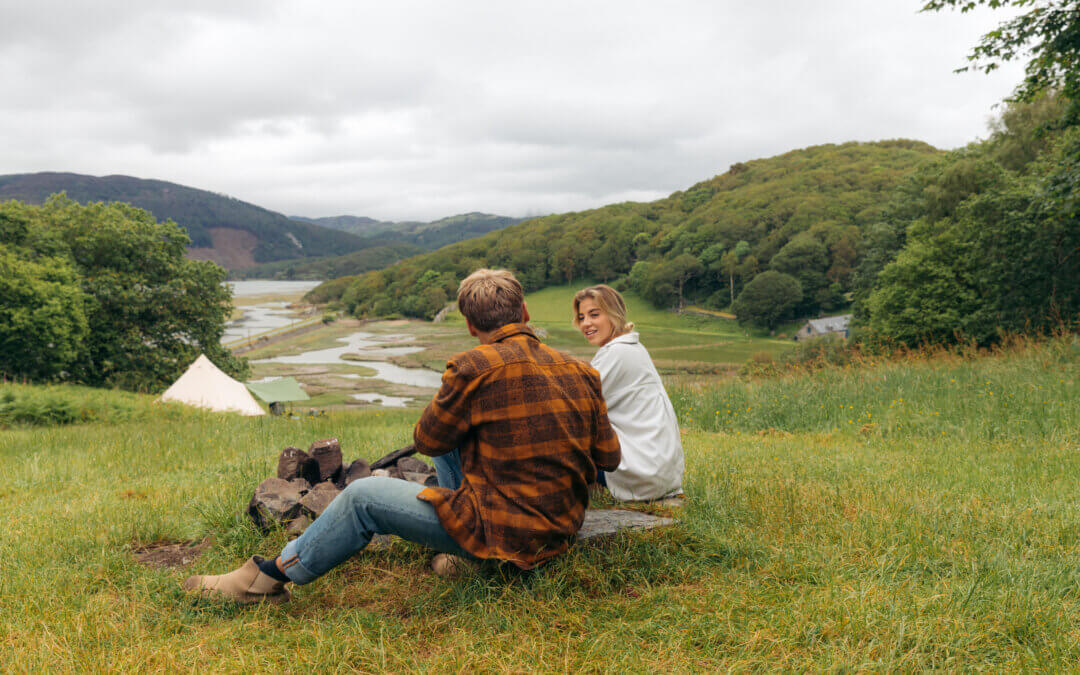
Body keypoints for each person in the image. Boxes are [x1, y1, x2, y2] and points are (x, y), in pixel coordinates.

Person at [184, 269, 621, 604]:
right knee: (454, 437)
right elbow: (610, 457)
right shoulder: (582, 371)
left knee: (363, 498)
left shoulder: (471, 366)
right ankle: (466, 553)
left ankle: (265, 580)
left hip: (507, 533)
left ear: (470, 326)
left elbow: (426, 439)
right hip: (562, 527)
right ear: (525, 312)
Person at [573, 284, 684, 502]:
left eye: (594, 314)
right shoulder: (632, 347)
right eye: (581, 317)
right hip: (658, 469)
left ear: (614, 314)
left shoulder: (617, 353)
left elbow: (574, 406)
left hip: (641, 472)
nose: (586, 323)